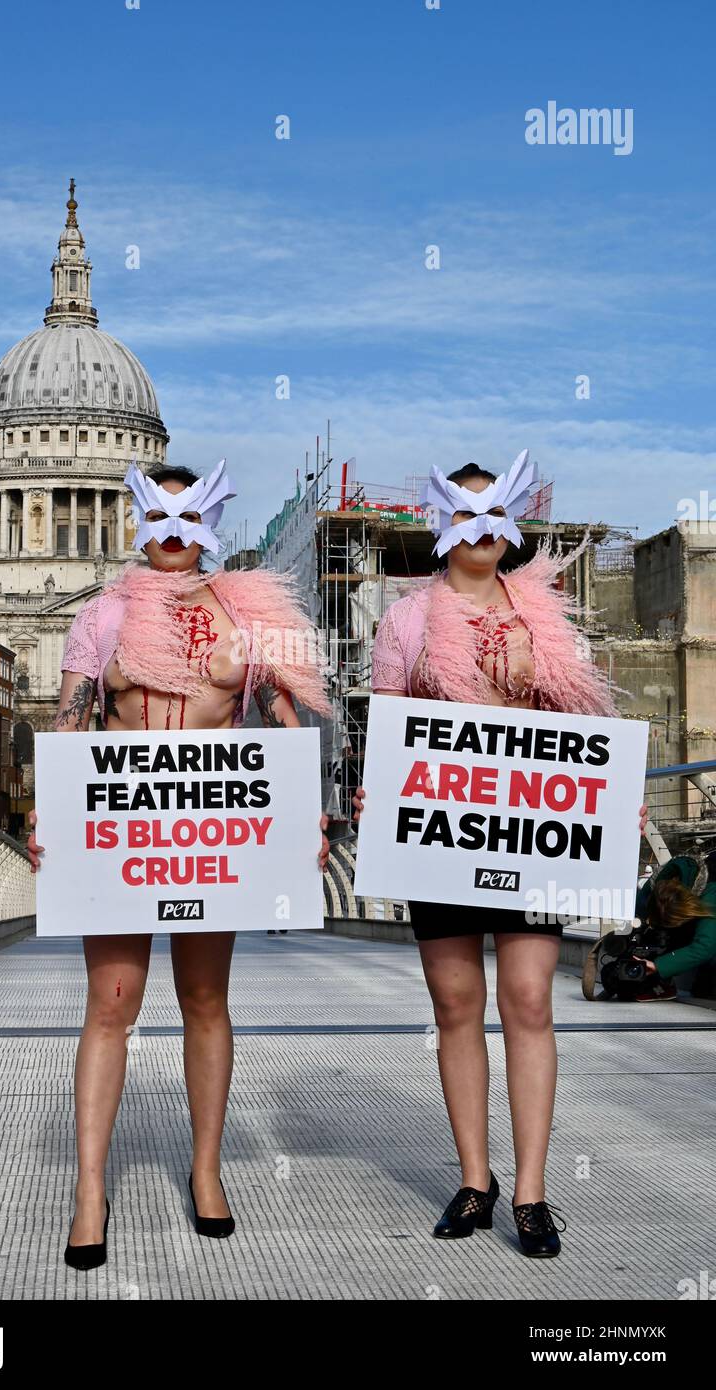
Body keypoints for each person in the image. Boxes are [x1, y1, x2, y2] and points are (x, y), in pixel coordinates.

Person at [27, 459, 331, 1268]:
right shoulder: (102, 616)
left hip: (214, 837)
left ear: (213, 522)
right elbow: (70, 720)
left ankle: (205, 1173)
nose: (171, 535)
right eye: (157, 518)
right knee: (110, 1003)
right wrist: (44, 809)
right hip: (122, 835)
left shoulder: (252, 616)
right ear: (136, 520)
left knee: (204, 997)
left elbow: (286, 721)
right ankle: (90, 1190)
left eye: (187, 519)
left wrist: (306, 813)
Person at [352, 451, 647, 1258]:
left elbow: (582, 724)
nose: (480, 532)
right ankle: (474, 1180)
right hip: (440, 833)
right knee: (455, 1006)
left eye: (494, 514)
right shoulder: (405, 621)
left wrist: (618, 797)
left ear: (511, 526)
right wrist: (378, 793)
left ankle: (532, 1193)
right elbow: (390, 724)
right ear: (442, 525)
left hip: (531, 832)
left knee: (528, 1000)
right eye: (464, 513)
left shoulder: (543, 615)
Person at [631, 854, 716, 1000]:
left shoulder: (710, 894)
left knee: (707, 989)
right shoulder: (651, 890)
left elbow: (705, 946)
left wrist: (659, 966)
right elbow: (639, 914)